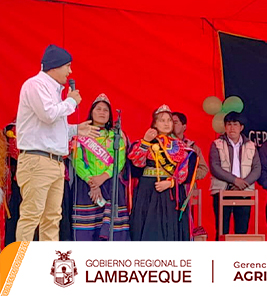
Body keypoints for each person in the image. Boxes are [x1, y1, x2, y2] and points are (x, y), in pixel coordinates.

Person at [15, 45, 99, 241]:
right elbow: (48, 115)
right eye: (68, 66)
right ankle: (19, 267)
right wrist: (71, 102)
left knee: (52, 218)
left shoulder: (55, 92)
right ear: (55, 66)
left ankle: (47, 266)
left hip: (55, 162)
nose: (70, 71)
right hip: (37, 160)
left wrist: (76, 129)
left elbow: (51, 127)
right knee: (31, 215)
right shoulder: (35, 85)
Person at [128, 105, 199, 241]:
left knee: (168, 228)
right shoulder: (144, 142)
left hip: (170, 192)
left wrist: (171, 183)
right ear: (154, 123)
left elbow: (184, 170)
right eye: (162, 120)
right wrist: (146, 141)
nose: (166, 123)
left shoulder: (179, 145)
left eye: (169, 120)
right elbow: (137, 162)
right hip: (148, 190)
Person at [70, 94, 129, 241]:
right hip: (86, 186)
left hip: (110, 184)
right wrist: (92, 182)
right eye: (98, 109)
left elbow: (119, 160)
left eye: (106, 110)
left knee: (112, 233)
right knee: (87, 231)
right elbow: (77, 160)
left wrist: (102, 178)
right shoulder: (81, 134)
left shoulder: (117, 135)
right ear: (91, 112)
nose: (102, 112)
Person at [209, 112, 261, 239]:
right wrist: (234, 180)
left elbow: (257, 168)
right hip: (222, 190)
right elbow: (215, 167)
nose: (232, 128)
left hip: (244, 191)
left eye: (235, 124)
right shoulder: (217, 144)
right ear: (225, 127)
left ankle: (239, 258)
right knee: (222, 230)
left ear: (241, 127)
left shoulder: (251, 145)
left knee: (242, 231)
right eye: (229, 124)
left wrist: (243, 183)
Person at [172, 112, 209, 181]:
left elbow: (204, 169)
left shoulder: (192, 148)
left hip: (187, 188)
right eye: (170, 122)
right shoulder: (162, 145)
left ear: (184, 127)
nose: (171, 125)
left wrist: (187, 175)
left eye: (175, 122)